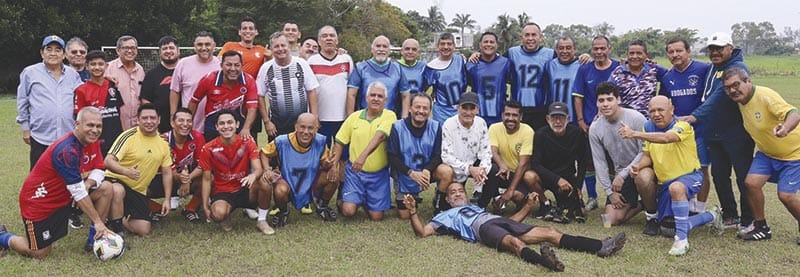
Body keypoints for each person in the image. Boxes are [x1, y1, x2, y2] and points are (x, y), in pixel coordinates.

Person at [402, 182, 626, 272]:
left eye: (460, 190)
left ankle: (600, 246)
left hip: (495, 219)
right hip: (482, 229)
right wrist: (413, 212)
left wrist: (528, 206)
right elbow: (422, 232)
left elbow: (514, 222)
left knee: (550, 232)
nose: (458, 193)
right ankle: (544, 262)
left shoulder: (479, 207)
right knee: (513, 243)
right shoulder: (446, 215)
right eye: (453, 193)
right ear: (448, 200)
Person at [0, 107, 115, 259]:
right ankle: (3, 236)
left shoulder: (90, 141)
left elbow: (99, 169)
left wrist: (89, 184)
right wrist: (98, 221)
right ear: (77, 124)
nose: (94, 130)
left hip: (64, 197)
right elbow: (78, 192)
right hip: (39, 203)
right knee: (39, 253)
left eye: (98, 126)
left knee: (106, 188)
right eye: (90, 125)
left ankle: (95, 240)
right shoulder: (66, 151)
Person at [620, 96, 724, 255]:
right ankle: (711, 215)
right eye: (652, 111)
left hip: (690, 177)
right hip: (664, 184)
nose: (656, 114)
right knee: (668, 228)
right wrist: (637, 166)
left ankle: (681, 241)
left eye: (660, 110)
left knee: (676, 188)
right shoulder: (648, 127)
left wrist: (634, 134)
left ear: (672, 110)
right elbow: (647, 156)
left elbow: (667, 138)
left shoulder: (683, 125)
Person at [681, 32, 754, 232]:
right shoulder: (714, 67)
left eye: (719, 48)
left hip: (736, 132)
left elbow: (719, 96)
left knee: (743, 177)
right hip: (714, 133)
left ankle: (749, 219)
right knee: (720, 176)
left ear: (730, 47)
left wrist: (694, 117)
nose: (715, 52)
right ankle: (730, 215)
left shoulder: (736, 68)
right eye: (711, 49)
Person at [720, 67, 800, 243]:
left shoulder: (765, 95)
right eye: (728, 87)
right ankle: (761, 227)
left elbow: (793, 113)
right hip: (767, 154)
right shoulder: (741, 101)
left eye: (736, 84)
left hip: (794, 155)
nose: (733, 90)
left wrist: (785, 128)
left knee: (786, 195)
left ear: (748, 81)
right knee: (751, 184)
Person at [659, 36, 712, 217]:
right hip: (679, 134)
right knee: (683, 170)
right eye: (671, 52)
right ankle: (687, 206)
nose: (675, 55)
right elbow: (665, 104)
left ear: (688, 51)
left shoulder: (704, 69)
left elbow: (712, 97)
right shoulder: (667, 77)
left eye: (679, 50)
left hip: (700, 132)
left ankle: (700, 209)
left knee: (702, 169)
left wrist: (696, 117)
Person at [103, 103, 174, 237]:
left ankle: (117, 217)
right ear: (138, 120)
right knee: (118, 190)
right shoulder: (128, 136)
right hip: (116, 181)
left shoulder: (163, 144)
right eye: (144, 118)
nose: (149, 121)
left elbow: (167, 172)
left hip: (138, 191)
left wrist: (167, 199)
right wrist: (126, 171)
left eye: (152, 118)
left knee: (143, 229)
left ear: (159, 120)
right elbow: (108, 160)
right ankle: (118, 231)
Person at [329, 82, 397, 221]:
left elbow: (380, 136)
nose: (376, 98)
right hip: (355, 173)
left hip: (378, 175)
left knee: (377, 217)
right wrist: (334, 165)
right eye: (372, 95)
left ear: (385, 100)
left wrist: (362, 157)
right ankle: (346, 199)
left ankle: (365, 199)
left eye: (380, 96)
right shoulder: (354, 117)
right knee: (348, 211)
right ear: (366, 98)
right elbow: (340, 142)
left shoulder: (389, 116)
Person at [199, 110, 273, 234]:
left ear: (237, 124)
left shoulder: (247, 142)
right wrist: (205, 206)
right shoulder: (208, 148)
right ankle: (224, 216)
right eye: (222, 124)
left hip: (245, 187)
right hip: (223, 191)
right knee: (218, 214)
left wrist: (253, 175)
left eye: (230, 122)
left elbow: (258, 168)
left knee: (265, 181)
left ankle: (262, 220)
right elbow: (206, 179)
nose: (226, 126)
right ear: (216, 127)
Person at [17, 35, 83, 169]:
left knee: (67, 176)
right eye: (49, 49)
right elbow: (22, 101)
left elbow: (84, 95)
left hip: (68, 136)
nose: (53, 53)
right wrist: (25, 129)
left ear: (64, 54)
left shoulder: (73, 75)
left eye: (58, 50)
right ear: (42, 53)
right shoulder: (30, 72)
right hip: (40, 136)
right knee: (39, 178)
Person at [588, 82, 648, 227]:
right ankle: (644, 203)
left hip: (642, 168)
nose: (605, 104)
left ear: (618, 100)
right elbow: (600, 162)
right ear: (596, 103)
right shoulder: (595, 128)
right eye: (601, 100)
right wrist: (610, 193)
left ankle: (651, 202)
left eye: (610, 99)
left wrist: (622, 175)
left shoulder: (636, 118)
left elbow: (645, 151)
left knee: (644, 178)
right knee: (609, 221)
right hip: (621, 176)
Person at [260, 113, 337, 225]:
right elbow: (263, 153)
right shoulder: (282, 141)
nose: (306, 132)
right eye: (302, 127)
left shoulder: (320, 142)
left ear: (316, 129)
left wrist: (328, 164)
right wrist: (267, 169)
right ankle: (283, 210)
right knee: (280, 190)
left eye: (310, 128)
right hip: (287, 183)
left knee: (333, 177)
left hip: (310, 182)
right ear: (296, 127)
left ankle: (322, 205)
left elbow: (324, 163)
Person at [572, 36, 620, 211]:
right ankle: (592, 197)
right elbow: (578, 97)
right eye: (596, 48)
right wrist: (581, 120)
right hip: (591, 125)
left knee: (613, 162)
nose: (599, 52)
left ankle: (612, 197)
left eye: (602, 48)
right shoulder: (585, 69)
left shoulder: (618, 68)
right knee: (589, 161)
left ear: (609, 49)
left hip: (614, 124)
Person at [528, 102, 590, 223]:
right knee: (529, 177)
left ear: (568, 118)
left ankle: (562, 205)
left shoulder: (577, 134)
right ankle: (545, 204)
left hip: (567, 179)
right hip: (545, 177)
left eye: (561, 117)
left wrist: (578, 186)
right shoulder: (540, 134)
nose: (557, 122)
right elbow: (535, 164)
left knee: (580, 213)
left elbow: (583, 162)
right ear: (547, 119)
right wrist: (557, 180)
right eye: (554, 117)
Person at [386, 93, 443, 219]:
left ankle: (440, 202)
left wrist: (428, 170)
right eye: (417, 107)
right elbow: (392, 156)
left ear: (430, 110)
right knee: (405, 215)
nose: (421, 111)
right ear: (410, 108)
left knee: (446, 172)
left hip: (425, 173)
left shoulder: (436, 127)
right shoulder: (397, 127)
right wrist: (410, 172)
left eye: (425, 108)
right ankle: (408, 195)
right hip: (405, 174)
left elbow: (438, 155)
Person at [257, 32, 320, 139]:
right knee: (277, 154)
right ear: (271, 49)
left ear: (289, 47)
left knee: (302, 153)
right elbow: (259, 95)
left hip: (302, 123)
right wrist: (267, 122)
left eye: (283, 45)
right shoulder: (266, 68)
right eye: (276, 46)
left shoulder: (301, 64)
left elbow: (311, 91)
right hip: (277, 125)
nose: (280, 49)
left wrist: (314, 118)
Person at [438, 92, 492, 213]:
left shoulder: (481, 123)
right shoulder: (449, 124)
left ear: (477, 109)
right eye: (464, 108)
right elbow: (446, 156)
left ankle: (481, 203)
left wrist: (482, 170)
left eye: (472, 108)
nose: (468, 112)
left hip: (474, 163)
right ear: (458, 108)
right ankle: (439, 204)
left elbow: (486, 151)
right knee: (452, 205)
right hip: (455, 167)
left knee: (492, 170)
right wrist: (469, 169)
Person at [189, 51, 258, 141]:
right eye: (228, 65)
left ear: (242, 66)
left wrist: (246, 128)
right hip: (213, 127)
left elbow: (252, 108)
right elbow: (194, 101)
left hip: (237, 126)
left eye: (237, 65)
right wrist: (189, 124)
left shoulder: (248, 80)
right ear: (221, 65)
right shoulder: (209, 79)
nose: (233, 69)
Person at [218, 16, 269, 139]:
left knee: (251, 133)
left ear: (256, 32)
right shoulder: (230, 46)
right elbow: (219, 63)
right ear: (239, 32)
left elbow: (267, 71)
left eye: (251, 28)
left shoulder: (262, 50)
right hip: (232, 95)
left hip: (251, 96)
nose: (247, 31)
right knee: (229, 128)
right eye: (244, 28)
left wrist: (269, 57)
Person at [155, 108, 206, 223]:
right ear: (172, 123)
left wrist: (188, 179)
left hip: (187, 178)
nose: (185, 124)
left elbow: (202, 164)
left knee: (209, 178)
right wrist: (181, 178)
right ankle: (156, 210)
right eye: (181, 120)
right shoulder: (163, 140)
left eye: (189, 121)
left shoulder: (197, 137)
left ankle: (190, 209)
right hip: (164, 179)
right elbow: (167, 170)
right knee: (141, 186)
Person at [480, 101, 534, 211]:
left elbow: (523, 164)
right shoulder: (494, 128)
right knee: (491, 168)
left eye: (515, 115)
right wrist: (502, 165)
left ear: (521, 117)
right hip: (502, 173)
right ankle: (486, 202)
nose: (510, 118)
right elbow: (492, 151)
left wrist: (510, 191)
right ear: (502, 115)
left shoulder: (528, 131)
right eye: (507, 114)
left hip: (518, 174)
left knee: (517, 196)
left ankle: (516, 199)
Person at [73, 50, 124, 155]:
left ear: (106, 66)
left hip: (116, 141)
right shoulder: (81, 90)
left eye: (100, 64)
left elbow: (119, 113)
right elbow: (79, 119)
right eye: (93, 64)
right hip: (95, 142)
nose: (97, 67)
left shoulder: (112, 85)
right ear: (87, 66)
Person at [170, 31, 221, 133]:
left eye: (207, 44)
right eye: (199, 44)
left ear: (214, 46)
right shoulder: (183, 64)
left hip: (215, 126)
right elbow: (175, 91)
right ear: (194, 46)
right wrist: (173, 115)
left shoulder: (221, 65)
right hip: (189, 124)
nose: (203, 48)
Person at [347, 35, 410, 117]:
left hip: (390, 120)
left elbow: (405, 95)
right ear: (372, 49)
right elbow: (352, 95)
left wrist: (403, 121)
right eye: (378, 46)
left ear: (389, 50)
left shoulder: (398, 69)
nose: (381, 49)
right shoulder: (360, 68)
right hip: (364, 119)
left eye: (385, 46)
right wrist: (350, 119)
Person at [608, 40, 667, 117]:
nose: (635, 56)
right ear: (627, 55)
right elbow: (606, 94)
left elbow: (671, 76)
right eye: (631, 53)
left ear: (646, 55)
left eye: (639, 53)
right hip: (626, 120)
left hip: (650, 120)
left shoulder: (653, 69)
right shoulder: (617, 73)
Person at [466, 32, 511, 125]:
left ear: (497, 45)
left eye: (492, 42)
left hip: (499, 114)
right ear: (480, 45)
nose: (488, 44)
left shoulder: (506, 63)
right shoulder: (471, 64)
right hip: (478, 115)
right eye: (485, 42)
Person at [422, 33, 467, 123]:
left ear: (454, 46)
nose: (446, 47)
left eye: (449, 44)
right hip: (441, 112)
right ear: (437, 46)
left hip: (462, 110)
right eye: (442, 44)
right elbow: (422, 90)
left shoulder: (461, 60)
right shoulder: (431, 67)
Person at [141, 36, 180, 133]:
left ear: (178, 51)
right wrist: (152, 121)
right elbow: (145, 100)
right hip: (160, 127)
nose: (168, 51)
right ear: (160, 52)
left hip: (183, 124)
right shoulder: (151, 74)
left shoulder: (186, 71)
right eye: (164, 49)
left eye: (171, 48)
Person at [106, 35, 144, 130]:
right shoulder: (108, 68)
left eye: (133, 48)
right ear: (118, 50)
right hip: (115, 124)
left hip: (137, 125)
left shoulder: (140, 70)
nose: (130, 51)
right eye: (126, 48)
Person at [543, 37, 581, 123]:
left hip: (574, 118)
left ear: (574, 49)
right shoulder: (549, 65)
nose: (564, 51)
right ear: (556, 50)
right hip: (553, 116)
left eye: (568, 48)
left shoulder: (582, 65)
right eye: (561, 48)